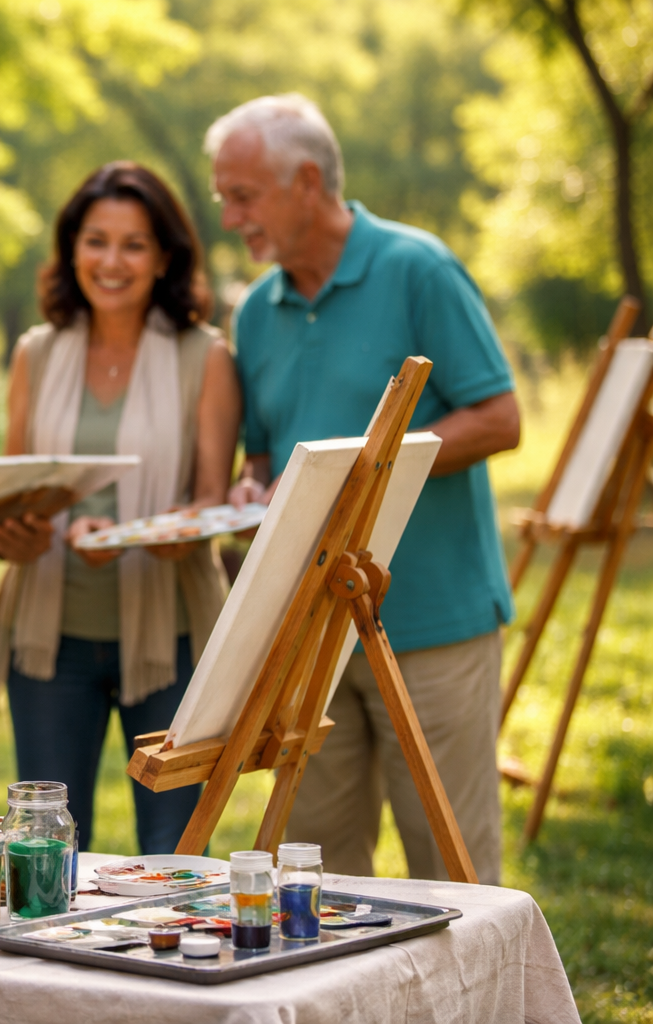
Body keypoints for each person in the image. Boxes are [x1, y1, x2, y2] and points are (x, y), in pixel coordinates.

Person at [208, 94, 519, 884]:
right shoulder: (254, 314)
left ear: (306, 181)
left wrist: (363, 471)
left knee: (452, 872)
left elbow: (499, 417)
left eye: (243, 196)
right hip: (311, 634)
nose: (230, 217)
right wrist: (251, 488)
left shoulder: (418, 268)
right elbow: (263, 455)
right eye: (224, 198)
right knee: (316, 873)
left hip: (432, 622)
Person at [0, 162, 238, 855]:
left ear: (164, 258)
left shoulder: (203, 357)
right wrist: (18, 533)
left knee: (176, 853)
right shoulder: (37, 354)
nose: (112, 261)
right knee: (46, 852)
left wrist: (156, 534)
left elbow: (214, 501)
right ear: (71, 250)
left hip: (171, 637)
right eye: (96, 241)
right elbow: (14, 493)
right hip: (50, 639)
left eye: (134, 244)